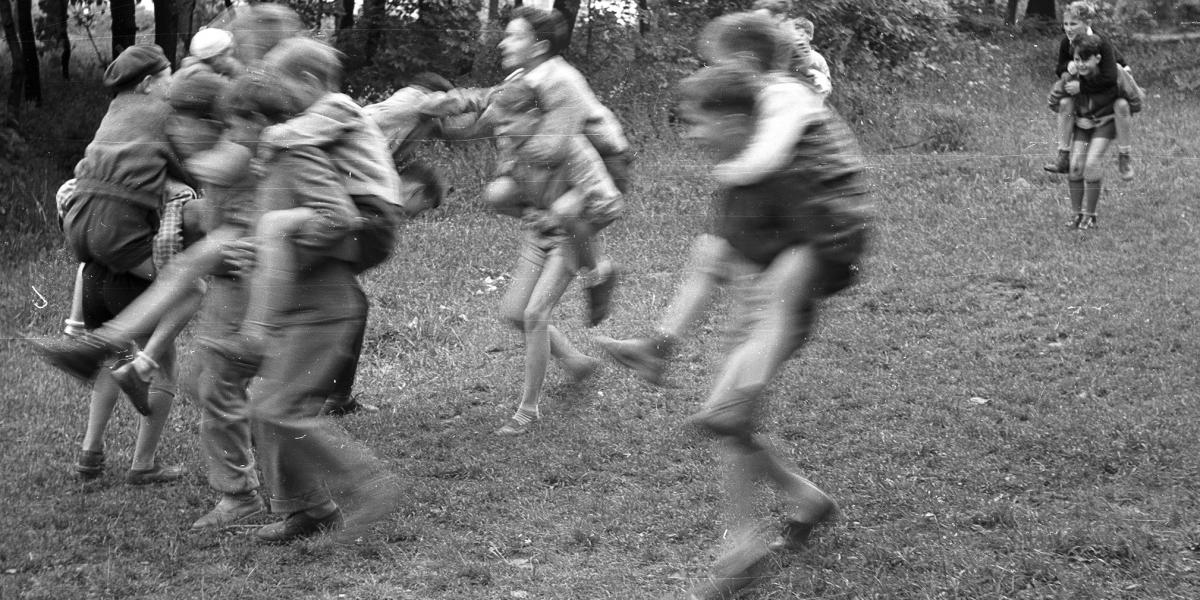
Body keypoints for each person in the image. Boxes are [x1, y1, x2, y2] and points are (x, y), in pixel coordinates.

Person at [602, 18, 869, 599]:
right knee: (731, 422)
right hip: (754, 304)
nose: (690, 136)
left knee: (731, 414)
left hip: (781, 304)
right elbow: (716, 253)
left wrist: (763, 293)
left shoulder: (786, 156)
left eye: (698, 123)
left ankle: (740, 551)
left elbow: (816, 243)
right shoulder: (746, 165)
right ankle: (803, 501)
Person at [231, 62, 400, 543]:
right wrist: (256, 249)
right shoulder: (271, 162)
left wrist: (284, 235)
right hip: (297, 306)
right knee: (265, 406)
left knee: (280, 409)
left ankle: (369, 484)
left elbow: (338, 218)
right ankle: (310, 511)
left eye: (235, 123)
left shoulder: (295, 154)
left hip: (324, 307)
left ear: (257, 119)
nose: (231, 134)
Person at [37, 44, 189, 483]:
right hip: (127, 271)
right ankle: (144, 464)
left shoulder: (114, 116)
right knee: (184, 302)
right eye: (168, 76)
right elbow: (189, 168)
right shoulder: (162, 115)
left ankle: (90, 454)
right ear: (149, 83)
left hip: (92, 271)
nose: (172, 84)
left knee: (112, 359)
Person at [485, 79, 620, 436]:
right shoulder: (511, 145)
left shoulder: (570, 145)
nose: (501, 131)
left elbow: (608, 200)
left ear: (533, 116)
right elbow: (508, 189)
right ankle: (576, 362)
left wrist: (571, 208)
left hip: (570, 239)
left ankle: (527, 410)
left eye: (508, 122)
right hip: (538, 237)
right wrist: (527, 211)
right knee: (514, 313)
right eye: (498, 124)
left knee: (535, 314)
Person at [498, 6, 629, 326]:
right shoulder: (519, 79)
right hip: (560, 165)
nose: (503, 43)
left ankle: (598, 273)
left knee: (566, 215)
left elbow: (554, 147)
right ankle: (554, 233)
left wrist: (516, 152)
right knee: (500, 193)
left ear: (539, 47)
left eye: (514, 37)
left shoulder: (561, 79)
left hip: (602, 162)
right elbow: (505, 128)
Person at [1043, 1, 1134, 181]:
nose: (1068, 28)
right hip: (1086, 85)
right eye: (1066, 24)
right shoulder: (1066, 42)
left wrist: (1081, 87)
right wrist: (1066, 69)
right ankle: (1063, 157)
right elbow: (1059, 68)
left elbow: (1110, 77)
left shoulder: (1100, 42)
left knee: (1121, 106)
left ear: (1087, 23)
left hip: (1111, 86)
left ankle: (1124, 157)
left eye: (1073, 24)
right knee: (1065, 103)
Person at [1060, 34, 1121, 230]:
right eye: (1077, 60)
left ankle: (1091, 215)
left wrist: (1083, 89)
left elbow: (1121, 98)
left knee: (1092, 163)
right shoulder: (1073, 77)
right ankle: (1076, 214)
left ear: (1098, 58)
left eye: (1086, 60)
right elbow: (1057, 98)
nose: (1081, 64)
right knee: (1075, 166)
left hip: (1105, 123)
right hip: (1083, 125)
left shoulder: (1108, 77)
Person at [751, 0, 831, 95]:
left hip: (796, 88)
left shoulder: (786, 37)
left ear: (778, 18)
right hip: (779, 83)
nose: (758, 24)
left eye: (762, 20)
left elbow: (778, 73)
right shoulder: (763, 36)